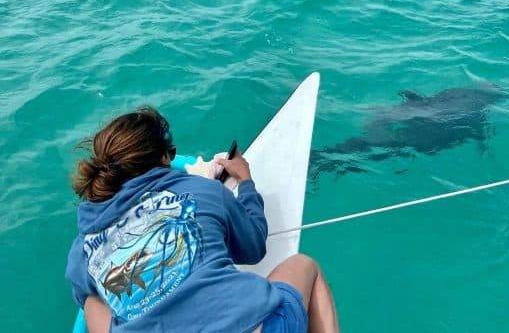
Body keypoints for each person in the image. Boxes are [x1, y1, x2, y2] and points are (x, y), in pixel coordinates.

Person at [66, 107, 339, 333]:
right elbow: (254, 246)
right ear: (164, 157)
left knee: (92, 302)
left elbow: (88, 298)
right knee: (305, 266)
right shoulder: (203, 190)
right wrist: (245, 183)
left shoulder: (81, 252)